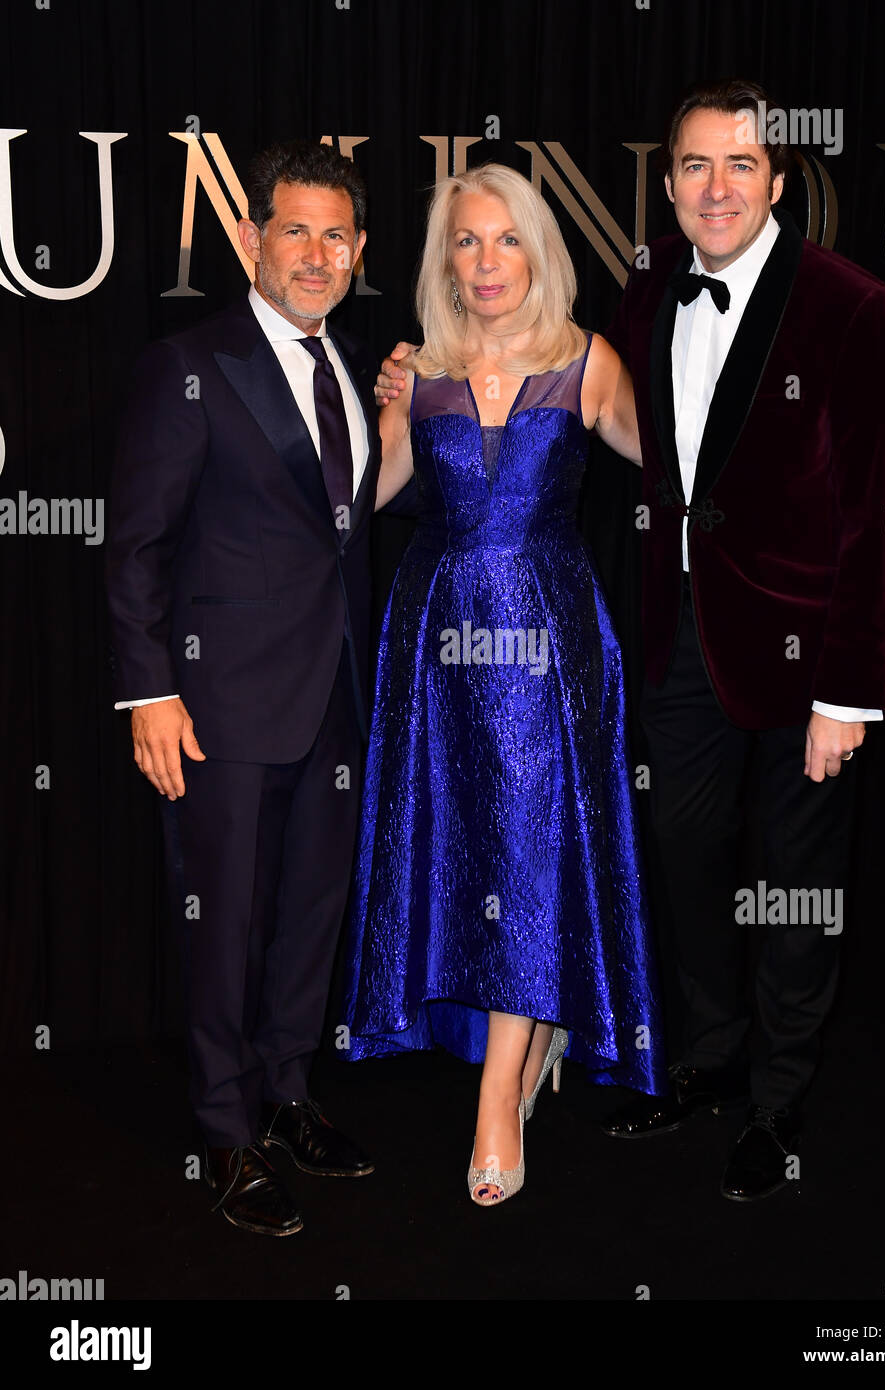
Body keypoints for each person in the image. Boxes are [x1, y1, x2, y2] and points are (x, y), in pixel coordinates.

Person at [598, 79, 885, 1199]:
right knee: (682, 856)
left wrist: (849, 691)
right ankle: (707, 1059)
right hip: (683, 638)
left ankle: (777, 1107)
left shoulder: (848, 304)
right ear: (670, 181)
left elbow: (882, 510)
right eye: (693, 166)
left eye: (738, 165)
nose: (715, 187)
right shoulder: (647, 292)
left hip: (807, 654)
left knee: (793, 886)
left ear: (778, 181)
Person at [341, 163, 666, 1206]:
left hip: (547, 639)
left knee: (529, 847)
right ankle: (522, 1050)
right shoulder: (418, 370)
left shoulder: (588, 362)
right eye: (466, 243)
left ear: (539, 250)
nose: (485, 263)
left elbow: (686, 475)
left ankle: (498, 1098)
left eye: (505, 240)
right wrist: (360, 397)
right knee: (458, 839)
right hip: (433, 638)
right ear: (445, 260)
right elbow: (367, 496)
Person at [105, 141, 381, 1236]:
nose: (315, 255)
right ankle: (224, 1132)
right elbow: (134, 548)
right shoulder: (188, 363)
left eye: (336, 235)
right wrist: (148, 695)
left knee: (311, 914)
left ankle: (288, 1093)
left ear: (359, 250)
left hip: (338, 699)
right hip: (218, 709)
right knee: (223, 921)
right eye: (295, 230)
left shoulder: (357, 367)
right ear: (250, 238)